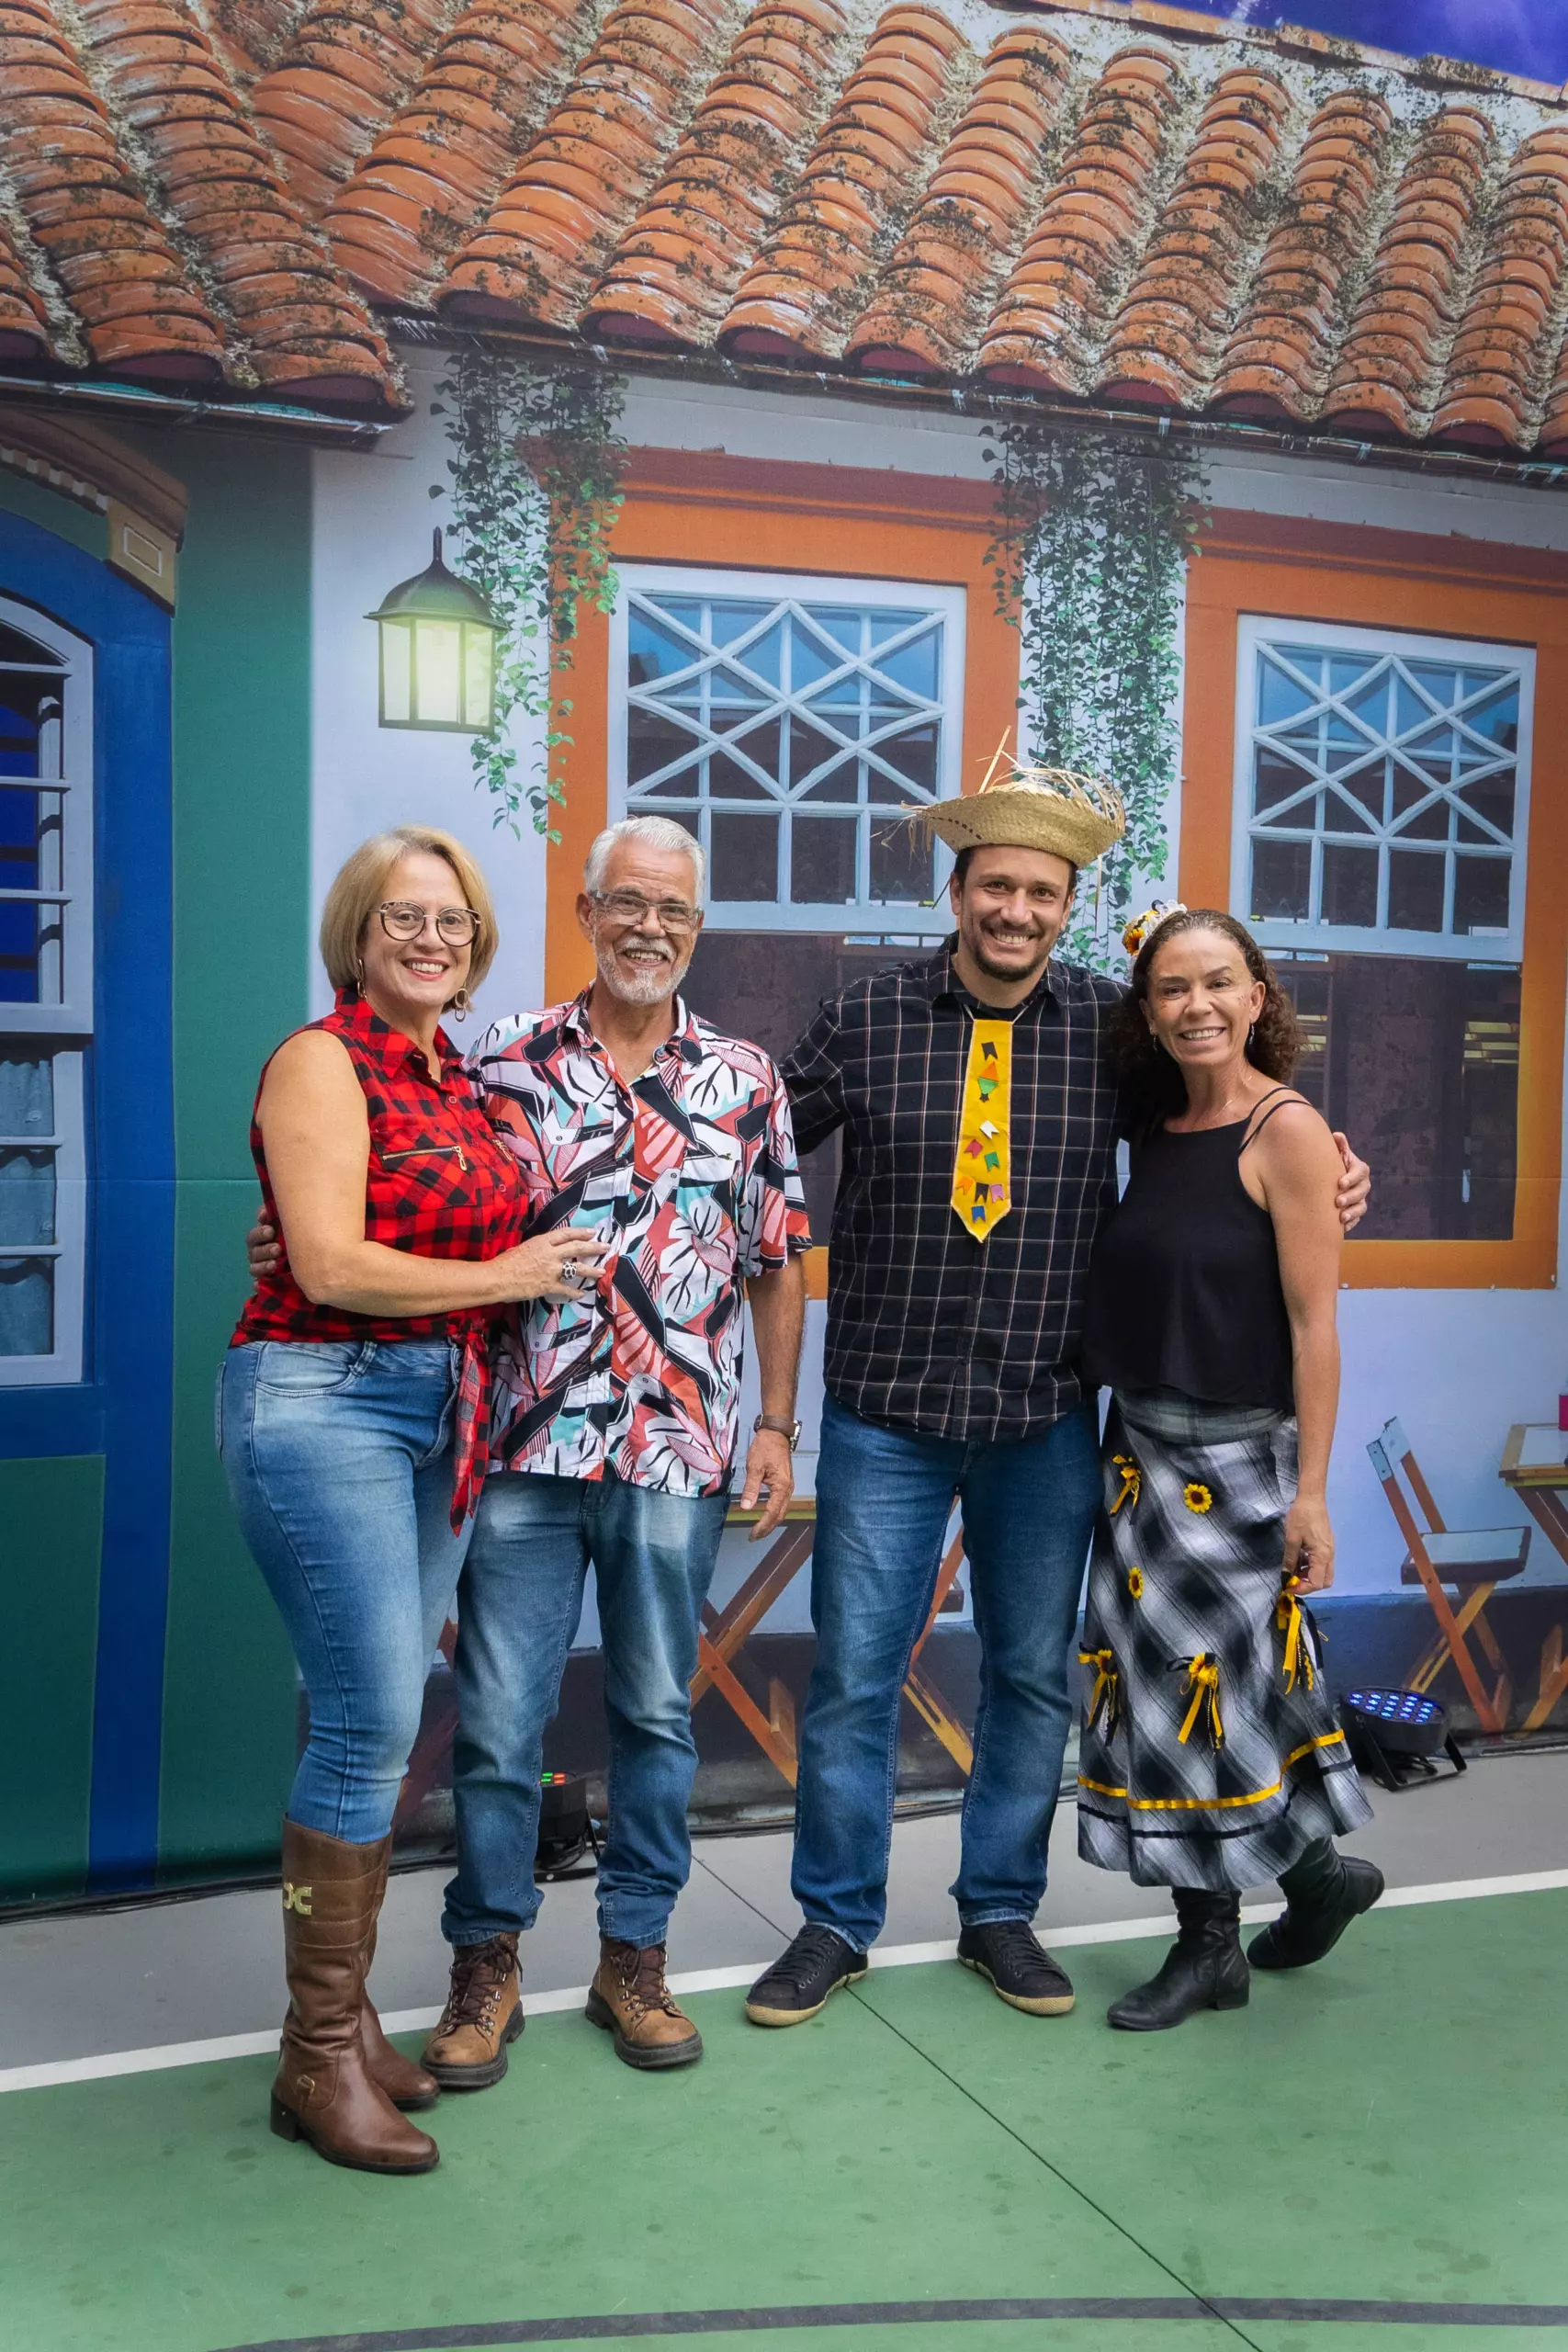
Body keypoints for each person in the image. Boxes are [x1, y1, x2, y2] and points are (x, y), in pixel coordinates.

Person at [744, 766, 1371, 2031]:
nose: (1014, 910)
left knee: (1031, 1677)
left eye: (1040, 892)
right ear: (957, 894)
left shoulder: (1110, 1029)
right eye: (995, 887)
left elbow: (1223, 1122)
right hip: (884, 1410)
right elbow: (744, 1147)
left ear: (1066, 906)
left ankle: (998, 1913)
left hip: (1042, 1417)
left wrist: (1335, 1163)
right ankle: (833, 1923)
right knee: (856, 1677)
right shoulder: (863, 1018)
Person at [247, 816, 810, 2085]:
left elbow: (777, 1260)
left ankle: (634, 1959)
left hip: (674, 1443)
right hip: (515, 1438)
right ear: (586, 911)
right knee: (500, 1721)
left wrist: (775, 1423)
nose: (649, 927)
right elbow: (391, 1192)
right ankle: (485, 1960)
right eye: (627, 903)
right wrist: (285, 1238)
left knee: (655, 1713)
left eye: (673, 908)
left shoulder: (746, 1076)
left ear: (697, 926)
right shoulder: (494, 1060)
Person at [221, 827, 600, 2175]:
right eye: (402, 917)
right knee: (372, 1715)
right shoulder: (320, 1059)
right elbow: (327, 1266)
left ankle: (340, 2029)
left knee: (368, 1726)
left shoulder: (459, 1079)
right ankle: (316, 2053)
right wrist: (510, 1278)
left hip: (441, 1412)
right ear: (357, 934)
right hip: (324, 1396)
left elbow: (368, 1229)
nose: (431, 939)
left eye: (453, 921)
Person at [1076, 903, 1380, 2030]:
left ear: (1258, 998)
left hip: (1242, 1465)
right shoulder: (1155, 1120)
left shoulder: (1286, 1131)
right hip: (1137, 1456)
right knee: (1205, 1695)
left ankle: (1210, 1948)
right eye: (1173, 987)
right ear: (1149, 1011)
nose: (1196, 1004)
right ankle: (1319, 1877)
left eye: (1217, 982)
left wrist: (1312, 1494)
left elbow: (1315, 1325)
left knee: (1199, 1702)